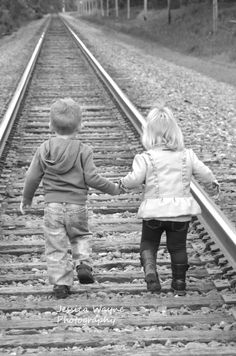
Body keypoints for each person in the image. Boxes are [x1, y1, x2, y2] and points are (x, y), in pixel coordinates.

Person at [20, 98, 120, 299]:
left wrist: (27, 198)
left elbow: (32, 176)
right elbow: (92, 178)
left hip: (53, 207)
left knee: (56, 245)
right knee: (80, 236)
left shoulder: (44, 148)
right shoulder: (84, 150)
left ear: (50, 125)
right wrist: (113, 189)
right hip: (77, 206)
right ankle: (83, 263)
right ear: (80, 126)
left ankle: (60, 284)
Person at [120, 105, 219, 296]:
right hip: (180, 214)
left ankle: (150, 270)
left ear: (149, 134)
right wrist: (212, 183)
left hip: (154, 212)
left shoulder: (146, 158)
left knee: (148, 243)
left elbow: (134, 179)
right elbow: (204, 172)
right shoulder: (187, 155)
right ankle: (179, 283)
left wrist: (122, 184)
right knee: (178, 247)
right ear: (175, 132)